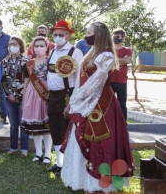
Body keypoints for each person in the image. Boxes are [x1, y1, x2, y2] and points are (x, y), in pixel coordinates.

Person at [61, 22, 135, 192]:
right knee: (81, 136)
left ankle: (100, 183)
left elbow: (95, 84)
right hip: (84, 102)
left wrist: (74, 102)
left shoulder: (107, 56)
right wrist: (74, 101)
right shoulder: (91, 53)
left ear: (99, 35)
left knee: (101, 142)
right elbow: (81, 83)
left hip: (102, 105)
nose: (86, 35)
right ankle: (80, 180)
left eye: (89, 32)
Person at [46, 20, 84, 176]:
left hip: (67, 94)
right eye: (55, 35)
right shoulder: (53, 51)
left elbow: (80, 79)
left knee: (66, 128)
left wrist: (73, 101)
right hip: (53, 95)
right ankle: (59, 163)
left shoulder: (75, 52)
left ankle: (68, 163)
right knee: (54, 126)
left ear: (68, 35)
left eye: (60, 35)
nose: (57, 37)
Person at [21, 36, 53, 164]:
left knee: (46, 126)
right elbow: (26, 82)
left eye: (42, 46)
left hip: (46, 94)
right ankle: (38, 153)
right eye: (36, 46)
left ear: (47, 48)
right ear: (32, 48)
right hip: (31, 94)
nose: (39, 48)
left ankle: (48, 154)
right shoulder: (29, 63)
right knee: (35, 126)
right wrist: (24, 100)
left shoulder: (51, 62)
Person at [0, 36, 29, 157]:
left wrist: (17, 95)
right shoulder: (4, 62)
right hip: (9, 98)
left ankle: (24, 150)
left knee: (23, 124)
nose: (13, 46)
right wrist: (10, 95)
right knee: (13, 125)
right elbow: (3, 80)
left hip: (23, 97)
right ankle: (13, 148)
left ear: (20, 46)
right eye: (11, 44)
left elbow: (27, 81)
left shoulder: (27, 62)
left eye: (15, 44)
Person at [111, 28, 132, 121]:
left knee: (122, 104)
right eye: (114, 36)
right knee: (108, 104)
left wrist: (114, 59)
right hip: (109, 81)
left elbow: (128, 60)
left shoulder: (127, 50)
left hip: (122, 81)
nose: (116, 38)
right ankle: (110, 124)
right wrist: (122, 59)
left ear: (123, 38)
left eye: (118, 36)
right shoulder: (109, 49)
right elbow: (108, 61)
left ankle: (123, 124)